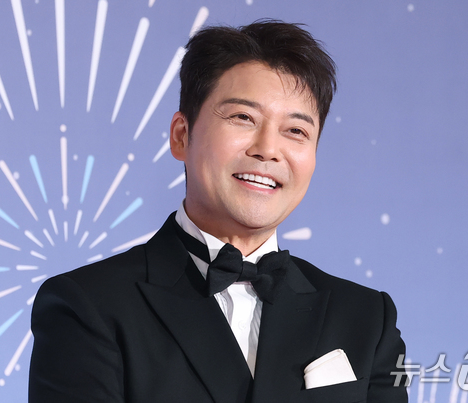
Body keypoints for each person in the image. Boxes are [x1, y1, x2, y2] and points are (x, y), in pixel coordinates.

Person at [29, 20, 408, 402]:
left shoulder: (366, 319)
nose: (267, 150)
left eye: (296, 131)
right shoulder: (88, 305)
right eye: (243, 118)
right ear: (182, 136)